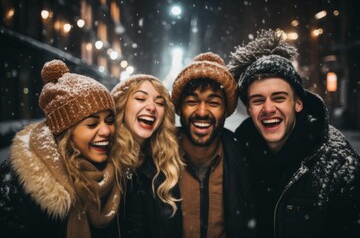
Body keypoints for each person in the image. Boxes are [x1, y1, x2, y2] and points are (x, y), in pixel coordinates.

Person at [228, 29, 360, 238]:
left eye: (279, 98)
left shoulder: (338, 164)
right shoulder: (236, 156)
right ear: (249, 109)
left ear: (298, 103)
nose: (268, 108)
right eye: (258, 100)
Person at [0, 60, 121, 238]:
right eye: (92, 124)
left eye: (109, 121)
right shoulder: (20, 187)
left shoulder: (117, 173)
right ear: (65, 132)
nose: (106, 131)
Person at [171, 52, 251, 238]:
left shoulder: (245, 161)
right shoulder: (156, 161)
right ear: (179, 108)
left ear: (225, 111)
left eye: (213, 103)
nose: (202, 112)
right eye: (192, 102)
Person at [111, 74, 184, 238]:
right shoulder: (102, 159)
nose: (152, 107)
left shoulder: (163, 165)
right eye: (141, 98)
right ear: (122, 105)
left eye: (159, 102)